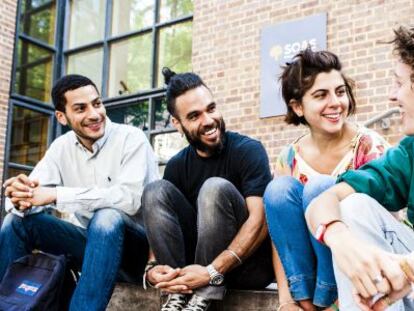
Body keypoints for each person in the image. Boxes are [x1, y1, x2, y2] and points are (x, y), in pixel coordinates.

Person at [0, 74, 159, 311]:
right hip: (92, 249)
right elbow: (30, 197)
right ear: (62, 117)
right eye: (81, 108)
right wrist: (19, 196)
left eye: (97, 103)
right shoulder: (61, 147)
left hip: (134, 253)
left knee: (107, 216)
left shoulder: (131, 138)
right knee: (16, 223)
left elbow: (129, 199)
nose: (94, 114)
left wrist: (56, 195)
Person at [263, 48, 389, 311]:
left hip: (355, 276)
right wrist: (286, 301)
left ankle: (330, 296)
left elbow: (379, 226)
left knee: (321, 188)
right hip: (305, 285)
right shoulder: (289, 157)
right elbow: (280, 236)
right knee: (277, 190)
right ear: (297, 107)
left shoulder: (368, 147)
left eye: (340, 92)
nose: (336, 103)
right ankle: (306, 300)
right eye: (321, 95)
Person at [141, 68, 274, 311]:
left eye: (211, 109)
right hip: (195, 271)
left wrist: (211, 273)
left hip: (245, 266)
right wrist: (152, 266)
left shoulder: (249, 150)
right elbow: (163, 222)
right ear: (177, 124)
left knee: (214, 188)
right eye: (194, 116)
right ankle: (178, 293)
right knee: (154, 190)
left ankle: (203, 294)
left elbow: (260, 220)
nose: (208, 120)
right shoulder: (177, 165)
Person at [305, 25, 414, 311]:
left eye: (399, 83)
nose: (392, 96)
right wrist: (339, 237)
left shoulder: (364, 141)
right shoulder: (409, 151)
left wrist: (408, 268)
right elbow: (324, 201)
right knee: (352, 206)